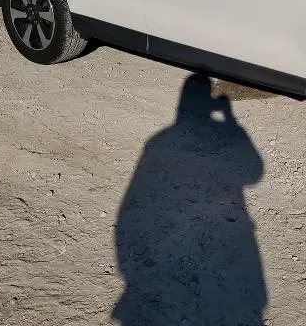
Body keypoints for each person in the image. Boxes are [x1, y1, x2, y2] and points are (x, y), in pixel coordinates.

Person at [113, 74, 266, 325]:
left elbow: (130, 205)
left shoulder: (158, 140)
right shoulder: (212, 133)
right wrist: (230, 121)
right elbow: (255, 173)